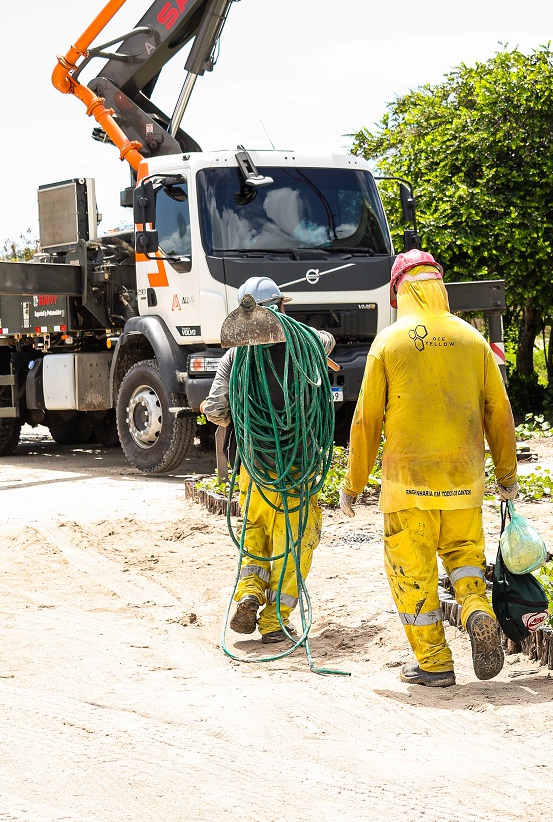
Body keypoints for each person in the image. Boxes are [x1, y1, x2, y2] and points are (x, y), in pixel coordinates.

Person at [339, 250, 518, 687]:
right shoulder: (473, 339)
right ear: (441, 288)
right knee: (465, 562)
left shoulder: (389, 342)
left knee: (413, 574)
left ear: (398, 293)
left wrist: (353, 483)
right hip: (464, 482)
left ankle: (435, 663)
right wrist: (507, 477)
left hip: (408, 487)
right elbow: (499, 413)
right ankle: (476, 611)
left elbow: (366, 421)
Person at [202, 276, 335, 644]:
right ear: (282, 307)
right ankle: (275, 622)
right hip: (296, 467)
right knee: (295, 542)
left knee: (255, 535)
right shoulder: (305, 345)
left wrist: (246, 417)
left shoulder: (234, 356)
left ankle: (249, 594)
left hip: (253, 469)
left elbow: (214, 409)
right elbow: (327, 339)